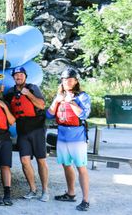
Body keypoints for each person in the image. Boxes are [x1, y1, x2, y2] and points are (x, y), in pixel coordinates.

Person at [46, 68, 91, 212]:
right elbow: (49, 115)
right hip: (63, 135)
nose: (67, 82)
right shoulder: (59, 96)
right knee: (66, 164)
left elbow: (84, 115)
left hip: (77, 137)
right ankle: (71, 193)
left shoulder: (82, 96)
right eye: (64, 80)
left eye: (70, 79)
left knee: (81, 167)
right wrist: (57, 101)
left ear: (76, 81)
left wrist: (70, 101)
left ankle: (85, 200)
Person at [4, 66, 49, 201]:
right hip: (22, 130)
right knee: (24, 161)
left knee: (41, 160)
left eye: (21, 75)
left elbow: (41, 105)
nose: (19, 77)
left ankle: (45, 190)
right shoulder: (11, 92)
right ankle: (33, 189)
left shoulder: (33, 88)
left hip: (37, 128)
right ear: (13, 78)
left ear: (25, 76)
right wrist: (1, 94)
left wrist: (28, 94)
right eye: (16, 75)